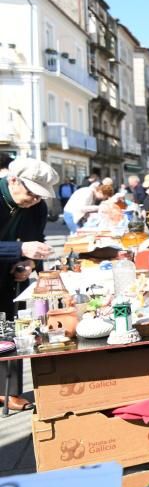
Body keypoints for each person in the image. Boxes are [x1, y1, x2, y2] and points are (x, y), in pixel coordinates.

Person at [1, 158, 57, 412]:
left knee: (10, 330)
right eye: (31, 193)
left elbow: (37, 240)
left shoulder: (37, 207)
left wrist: (28, 264)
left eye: (39, 195)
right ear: (13, 180)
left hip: (8, 276)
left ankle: (8, 391)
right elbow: (25, 244)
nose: (34, 199)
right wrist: (20, 248)